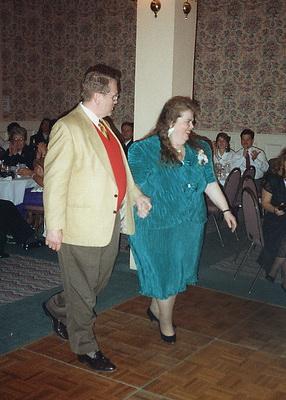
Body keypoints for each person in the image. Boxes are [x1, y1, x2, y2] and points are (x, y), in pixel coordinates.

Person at [43, 64, 152, 372]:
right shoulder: (69, 127)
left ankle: (55, 307)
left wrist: (137, 195)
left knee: (92, 286)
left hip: (108, 223)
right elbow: (54, 181)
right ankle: (86, 347)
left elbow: (121, 171)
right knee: (82, 293)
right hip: (79, 226)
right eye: (114, 96)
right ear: (97, 95)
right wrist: (54, 227)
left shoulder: (105, 127)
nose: (117, 101)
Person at [127, 96, 237, 344]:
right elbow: (131, 183)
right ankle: (165, 323)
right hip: (155, 224)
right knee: (165, 273)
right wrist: (139, 199)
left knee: (176, 272)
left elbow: (209, 182)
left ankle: (156, 309)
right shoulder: (144, 149)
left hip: (189, 222)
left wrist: (226, 210)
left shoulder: (200, 149)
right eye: (187, 121)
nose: (192, 126)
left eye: (192, 121)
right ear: (170, 121)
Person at [258, 148, 286, 291]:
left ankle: (274, 269)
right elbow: (265, 203)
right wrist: (275, 209)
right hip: (275, 220)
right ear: (283, 163)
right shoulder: (272, 179)